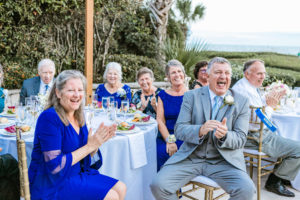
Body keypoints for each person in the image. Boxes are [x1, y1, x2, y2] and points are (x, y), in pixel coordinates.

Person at [151, 57, 256, 200]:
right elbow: (180, 129)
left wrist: (225, 136)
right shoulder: (191, 96)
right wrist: (200, 130)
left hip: (224, 161)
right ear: (208, 75)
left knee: (247, 190)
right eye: (218, 72)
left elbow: (241, 139)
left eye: (227, 73)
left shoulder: (242, 101)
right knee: (158, 185)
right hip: (191, 157)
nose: (223, 77)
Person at [28, 70, 126, 200]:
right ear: (58, 93)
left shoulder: (78, 115)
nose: (77, 95)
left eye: (80, 90)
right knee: (111, 196)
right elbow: (55, 166)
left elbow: (86, 155)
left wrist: (96, 145)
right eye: (71, 90)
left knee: (121, 187)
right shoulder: (49, 118)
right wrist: (89, 147)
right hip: (52, 183)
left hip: (76, 174)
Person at [233, 59, 300, 197]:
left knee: (289, 141)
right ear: (247, 74)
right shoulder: (245, 92)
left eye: (263, 73)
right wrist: (270, 105)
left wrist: (267, 99)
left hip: (256, 133)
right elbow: (261, 120)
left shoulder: (245, 86)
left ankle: (283, 176)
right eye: (259, 73)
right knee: (298, 149)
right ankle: (274, 182)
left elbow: (256, 109)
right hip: (255, 137)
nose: (263, 76)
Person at [156, 60, 188, 171]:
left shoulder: (192, 94)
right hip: (167, 135)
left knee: (179, 151)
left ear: (184, 74)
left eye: (179, 71)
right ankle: (162, 186)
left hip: (186, 136)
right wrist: (169, 140)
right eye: (173, 72)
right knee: (160, 151)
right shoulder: (162, 95)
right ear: (168, 77)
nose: (177, 75)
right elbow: (160, 121)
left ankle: (175, 185)